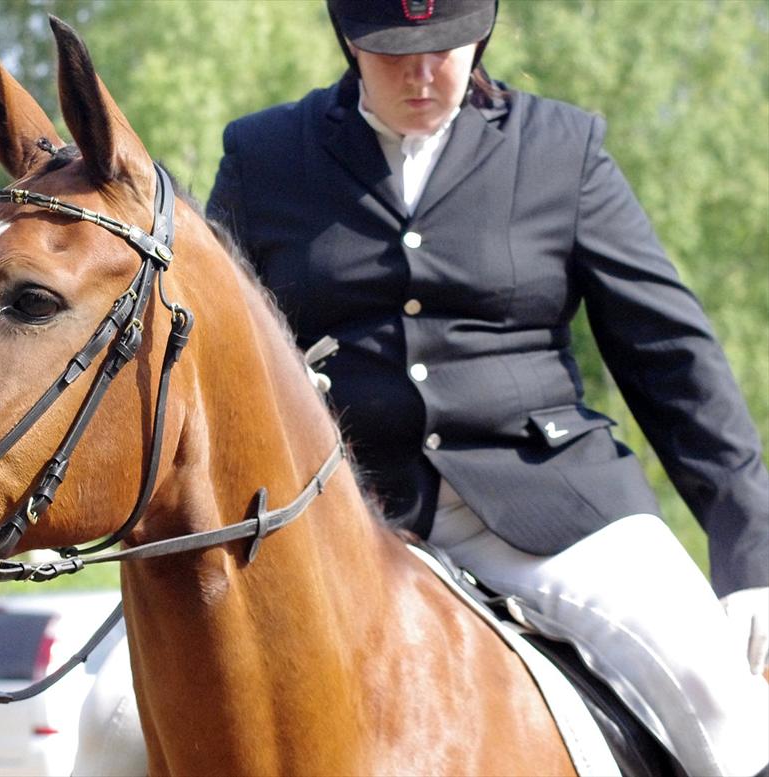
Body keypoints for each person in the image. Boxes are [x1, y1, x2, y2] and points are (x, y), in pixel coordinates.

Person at [205, 1, 769, 775]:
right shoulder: (265, 154)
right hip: (343, 519)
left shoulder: (562, 149)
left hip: (551, 504)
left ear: (483, 34)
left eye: (444, 48)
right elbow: (212, 356)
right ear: (348, 40)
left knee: (721, 702)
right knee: (114, 718)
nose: (423, 73)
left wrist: (751, 553)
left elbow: (672, 354)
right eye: (395, 52)